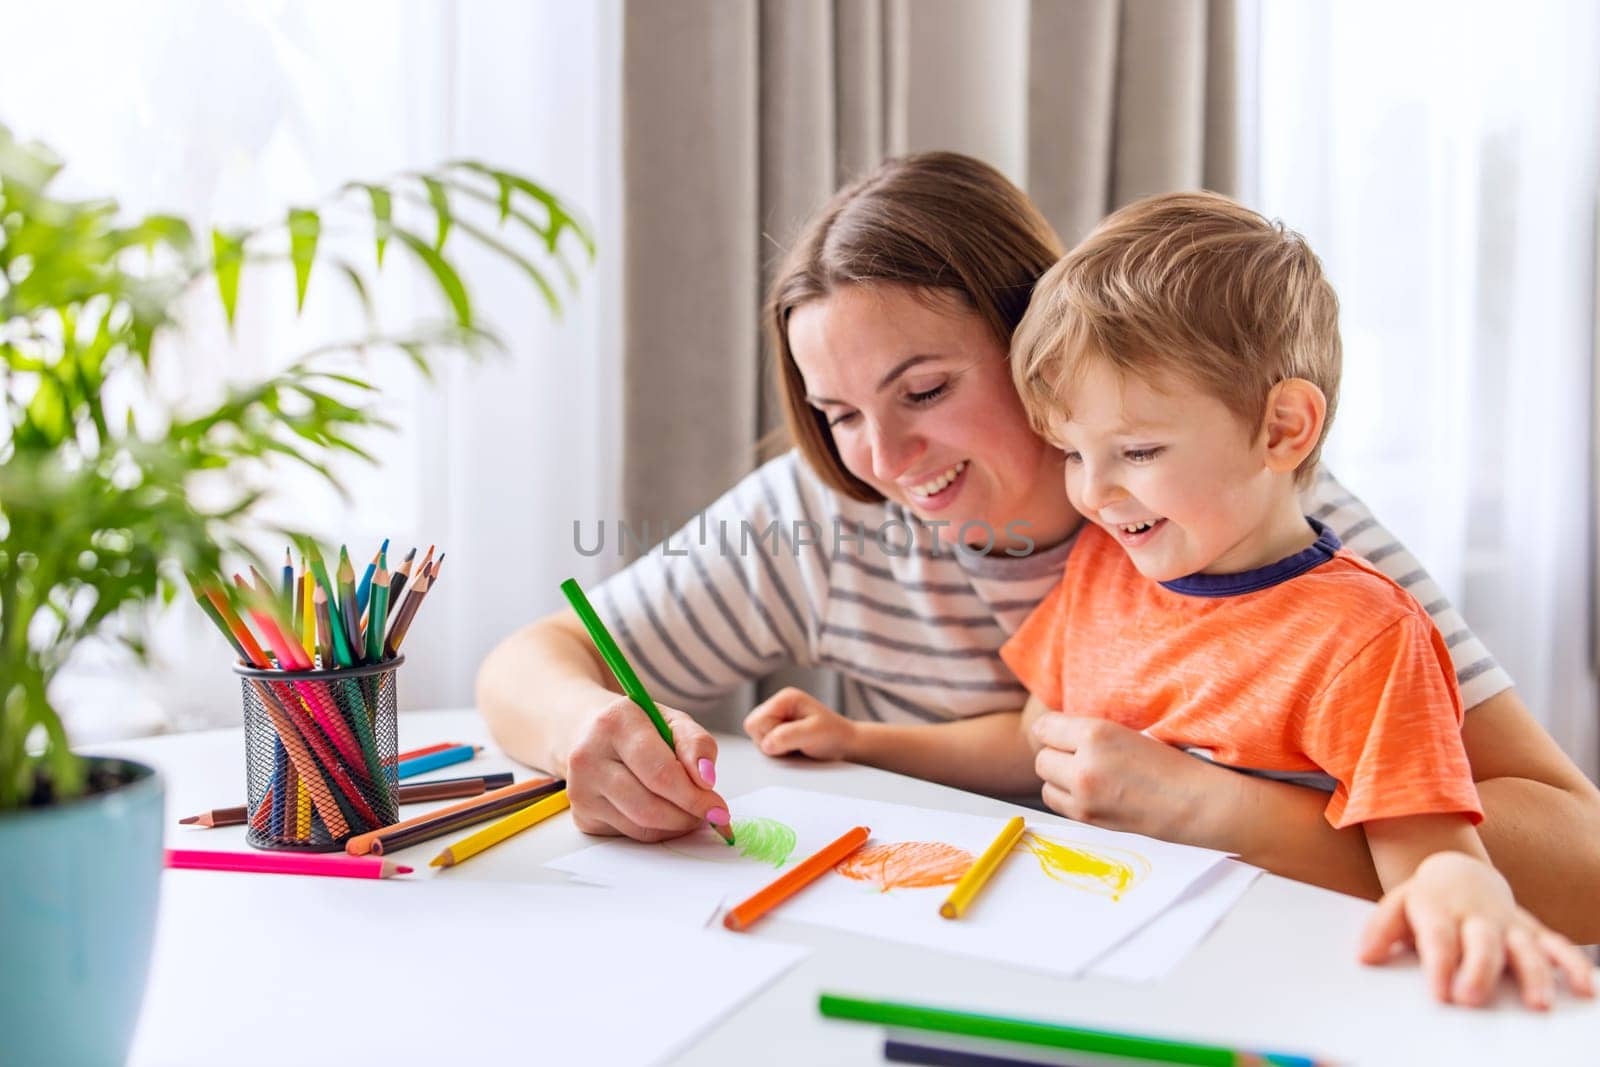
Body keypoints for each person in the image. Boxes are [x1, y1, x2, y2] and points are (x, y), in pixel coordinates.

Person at [476, 151, 1600, 949]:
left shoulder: (1260, 525)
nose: (885, 456)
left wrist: (1217, 806)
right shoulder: (819, 516)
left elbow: (1582, 867)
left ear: (1039, 342)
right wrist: (593, 728)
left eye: (924, 389)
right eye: (837, 412)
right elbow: (528, 660)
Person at [747, 191, 1595, 1007]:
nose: (1095, 495)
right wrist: (862, 740)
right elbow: (1030, 736)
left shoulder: (1365, 634)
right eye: (1073, 454)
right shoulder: (1108, 566)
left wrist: (1461, 895)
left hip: (1277, 987)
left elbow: (1429, 852)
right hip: (1121, 963)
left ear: (1283, 429)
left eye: (1138, 450)